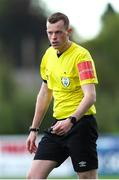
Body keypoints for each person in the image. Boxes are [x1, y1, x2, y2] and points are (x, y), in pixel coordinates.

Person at [26, 12, 99, 179]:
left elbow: (90, 96)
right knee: (33, 177)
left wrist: (71, 120)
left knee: (87, 178)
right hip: (58, 126)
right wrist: (33, 129)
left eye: (58, 32)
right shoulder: (48, 56)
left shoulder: (81, 56)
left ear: (69, 31)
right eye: (50, 32)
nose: (53, 37)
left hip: (81, 125)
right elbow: (45, 93)